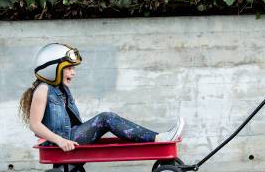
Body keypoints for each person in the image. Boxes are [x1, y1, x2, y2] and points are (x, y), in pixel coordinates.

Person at [19, 43, 184, 151]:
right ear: (53, 68)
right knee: (106, 118)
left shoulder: (61, 89)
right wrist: (60, 141)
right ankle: (158, 139)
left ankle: (157, 138)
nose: (73, 72)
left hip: (71, 135)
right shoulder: (42, 90)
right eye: (68, 68)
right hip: (63, 140)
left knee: (107, 119)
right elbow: (35, 125)